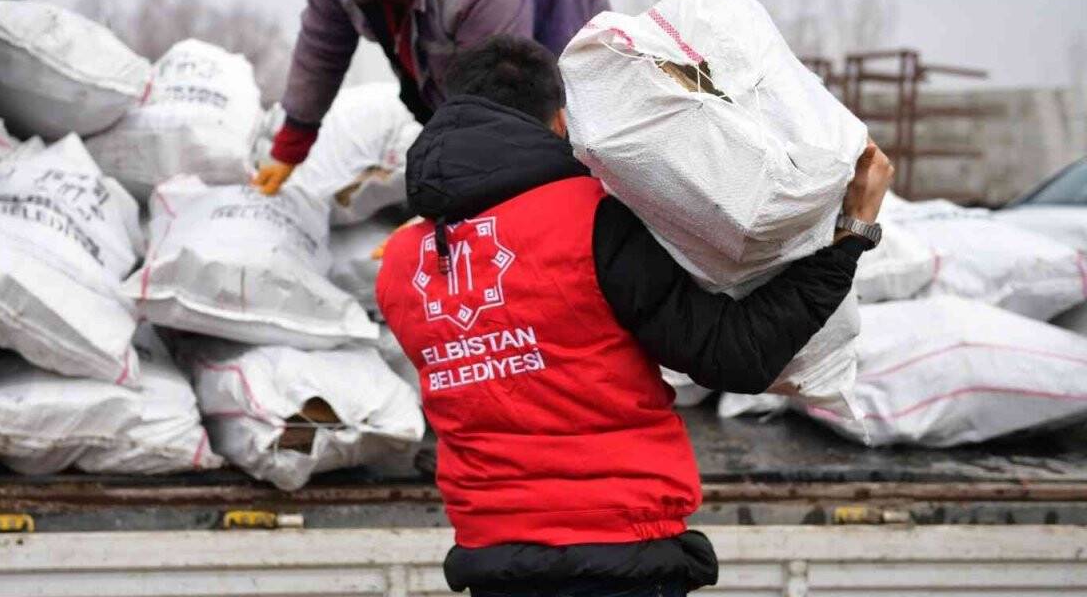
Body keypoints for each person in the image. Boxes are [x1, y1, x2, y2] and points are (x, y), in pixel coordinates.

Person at [374, 36, 894, 596]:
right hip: (620, 556)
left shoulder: (403, 265)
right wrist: (849, 236)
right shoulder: (590, 220)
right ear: (558, 121)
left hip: (494, 565)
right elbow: (733, 355)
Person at [252, 0, 610, 195]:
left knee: (559, 188)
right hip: (476, 79)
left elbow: (497, 112)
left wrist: (442, 210)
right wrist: (290, 146)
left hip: (566, 68)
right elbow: (322, 45)